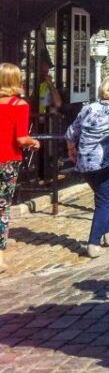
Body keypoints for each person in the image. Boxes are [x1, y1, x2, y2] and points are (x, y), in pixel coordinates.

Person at [65, 74, 109, 258]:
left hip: (84, 163)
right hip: (105, 162)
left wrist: (71, 150)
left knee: (101, 198)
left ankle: (108, 235)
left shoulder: (88, 108)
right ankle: (93, 242)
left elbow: (70, 133)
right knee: (104, 202)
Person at [0, 64, 40, 272]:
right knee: (2, 206)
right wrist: (34, 142)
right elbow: (21, 138)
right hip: (7, 160)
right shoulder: (19, 105)